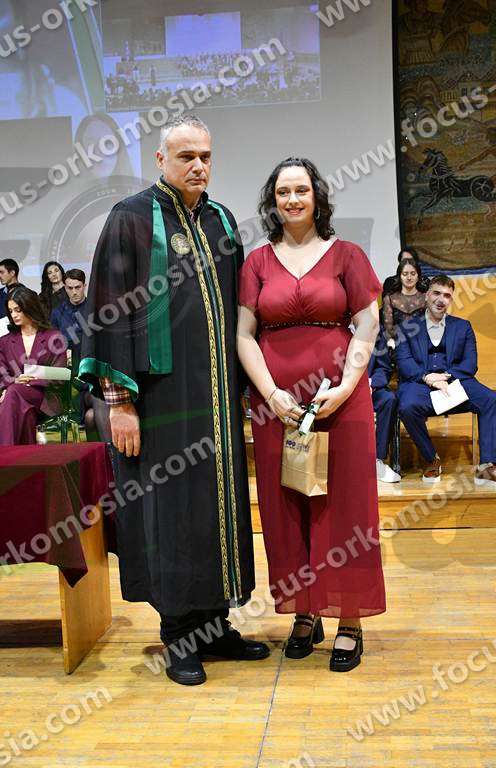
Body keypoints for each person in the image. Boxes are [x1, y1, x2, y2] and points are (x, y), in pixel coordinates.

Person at [78, 114, 268, 686]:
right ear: (161, 160)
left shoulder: (221, 220)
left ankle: (214, 625)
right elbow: (108, 309)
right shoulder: (132, 218)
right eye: (186, 156)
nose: (198, 166)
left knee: (216, 509)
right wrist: (119, 402)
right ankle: (179, 635)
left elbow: (240, 315)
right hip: (159, 403)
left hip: (215, 402)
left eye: (206, 156)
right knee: (172, 513)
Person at [237, 157, 386, 673]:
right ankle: (305, 611)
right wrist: (271, 394)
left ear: (317, 196)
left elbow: (368, 324)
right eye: (283, 192)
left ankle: (349, 618)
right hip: (277, 407)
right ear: (273, 201)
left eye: (301, 190)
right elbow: (244, 335)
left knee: (347, 508)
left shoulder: (348, 255)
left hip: (340, 401)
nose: (293, 199)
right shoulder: (256, 262)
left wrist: (347, 386)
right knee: (287, 508)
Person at [395, 274, 496, 484]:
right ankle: (432, 459)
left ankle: (487, 465)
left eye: (447, 295)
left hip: (454, 382)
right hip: (420, 383)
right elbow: (404, 363)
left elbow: (470, 364)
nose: (441, 300)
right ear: (426, 295)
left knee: (490, 399)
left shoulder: (463, 326)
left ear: (451, 299)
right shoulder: (407, 327)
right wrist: (428, 378)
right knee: (406, 406)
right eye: (436, 293)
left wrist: (446, 377)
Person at [0, 286, 67, 446]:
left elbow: (61, 375)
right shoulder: (5, 341)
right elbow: (2, 376)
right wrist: (15, 381)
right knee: (24, 410)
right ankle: (18, 458)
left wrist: (27, 378)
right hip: (18, 401)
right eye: (11, 311)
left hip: (46, 398)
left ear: (30, 307)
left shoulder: (54, 336)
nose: (14, 315)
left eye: (18, 310)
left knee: (13, 392)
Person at [51, 269, 111, 443]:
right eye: (69, 288)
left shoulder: (96, 310)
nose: (74, 292)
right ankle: (110, 451)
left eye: (77, 287)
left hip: (94, 374)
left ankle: (105, 452)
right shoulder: (57, 313)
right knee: (95, 405)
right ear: (65, 287)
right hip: (71, 380)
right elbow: (52, 348)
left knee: (92, 414)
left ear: (84, 286)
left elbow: (104, 342)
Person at [368, 333, 401, 483]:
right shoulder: (336, 330)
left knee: (389, 399)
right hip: (339, 388)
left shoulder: (375, 333)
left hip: (369, 386)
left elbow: (384, 367)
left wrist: (371, 384)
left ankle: (377, 459)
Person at [382, 256, 427, 345]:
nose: (409, 277)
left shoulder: (426, 297)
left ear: (418, 276)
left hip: (422, 342)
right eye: (405, 274)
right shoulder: (390, 298)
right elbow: (388, 327)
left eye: (413, 274)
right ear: (399, 276)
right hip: (397, 342)